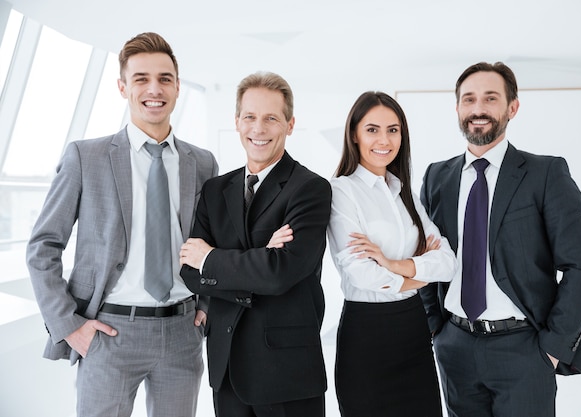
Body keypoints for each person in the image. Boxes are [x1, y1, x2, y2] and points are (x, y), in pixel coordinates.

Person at [26, 32, 218, 417]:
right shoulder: (87, 156)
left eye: (165, 78)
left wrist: (208, 306)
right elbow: (43, 247)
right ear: (122, 87)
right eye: (141, 79)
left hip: (182, 332)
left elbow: (215, 242)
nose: (154, 89)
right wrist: (70, 326)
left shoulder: (203, 163)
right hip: (108, 332)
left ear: (178, 87)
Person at [419, 61, 581, 417]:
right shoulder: (436, 177)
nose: (478, 109)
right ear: (457, 108)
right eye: (469, 99)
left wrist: (552, 347)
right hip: (454, 346)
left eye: (490, 98)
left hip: (524, 349)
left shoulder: (545, 173)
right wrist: (435, 329)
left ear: (512, 107)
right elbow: (426, 256)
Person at [179, 71, 331, 417]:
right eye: (250, 117)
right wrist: (260, 259)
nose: (258, 129)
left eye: (271, 118)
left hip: (286, 371)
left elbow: (281, 273)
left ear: (290, 125)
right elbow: (189, 270)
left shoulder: (310, 188)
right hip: (227, 367)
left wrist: (213, 259)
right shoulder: (215, 191)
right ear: (237, 122)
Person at [326, 91, 457, 417]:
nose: (384, 139)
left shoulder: (405, 191)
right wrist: (418, 277)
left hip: (414, 329)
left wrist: (391, 264)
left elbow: (447, 263)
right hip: (366, 334)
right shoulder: (341, 191)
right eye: (372, 129)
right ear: (354, 135)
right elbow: (362, 274)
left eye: (393, 129)